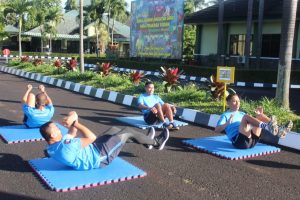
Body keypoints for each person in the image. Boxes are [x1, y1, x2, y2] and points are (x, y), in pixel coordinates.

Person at [39, 111, 170, 170]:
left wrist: (72, 119)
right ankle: (156, 143)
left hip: (92, 149)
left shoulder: (53, 146)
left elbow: (71, 133)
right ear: (52, 136)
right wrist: (76, 124)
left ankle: (145, 141)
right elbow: (92, 138)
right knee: (126, 132)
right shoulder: (65, 146)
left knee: (113, 130)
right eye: (56, 128)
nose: (59, 128)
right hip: (100, 157)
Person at [215, 94, 293, 149]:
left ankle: (279, 130)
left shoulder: (242, 113)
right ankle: (269, 127)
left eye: (238, 101)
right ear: (228, 103)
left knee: (259, 116)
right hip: (239, 142)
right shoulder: (225, 115)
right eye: (234, 101)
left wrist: (258, 116)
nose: (238, 103)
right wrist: (227, 123)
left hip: (252, 141)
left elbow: (250, 126)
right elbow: (217, 130)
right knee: (246, 117)